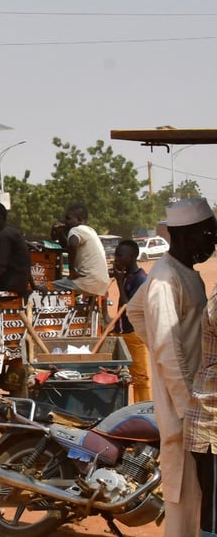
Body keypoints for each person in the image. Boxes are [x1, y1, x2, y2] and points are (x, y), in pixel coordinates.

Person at [127, 197, 217, 537]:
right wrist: (183, 403)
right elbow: (166, 345)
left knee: (197, 493)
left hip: (195, 393)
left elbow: (135, 312)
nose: (212, 242)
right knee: (184, 494)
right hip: (185, 402)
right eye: (207, 234)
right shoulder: (165, 280)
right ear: (183, 235)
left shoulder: (182, 272)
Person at [111, 239, 150, 403]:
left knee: (140, 378)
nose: (116, 259)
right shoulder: (127, 276)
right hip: (120, 332)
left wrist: (120, 282)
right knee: (116, 376)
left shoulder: (140, 279)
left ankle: (143, 410)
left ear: (133, 256)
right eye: (115, 255)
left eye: (120, 255)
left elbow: (129, 307)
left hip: (134, 335)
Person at [47, 204, 112, 298]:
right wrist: (60, 233)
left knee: (45, 287)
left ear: (79, 220)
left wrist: (71, 270)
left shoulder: (75, 230)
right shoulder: (90, 231)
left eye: (68, 218)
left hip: (87, 282)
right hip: (101, 284)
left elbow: (72, 245)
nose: (65, 221)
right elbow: (68, 247)